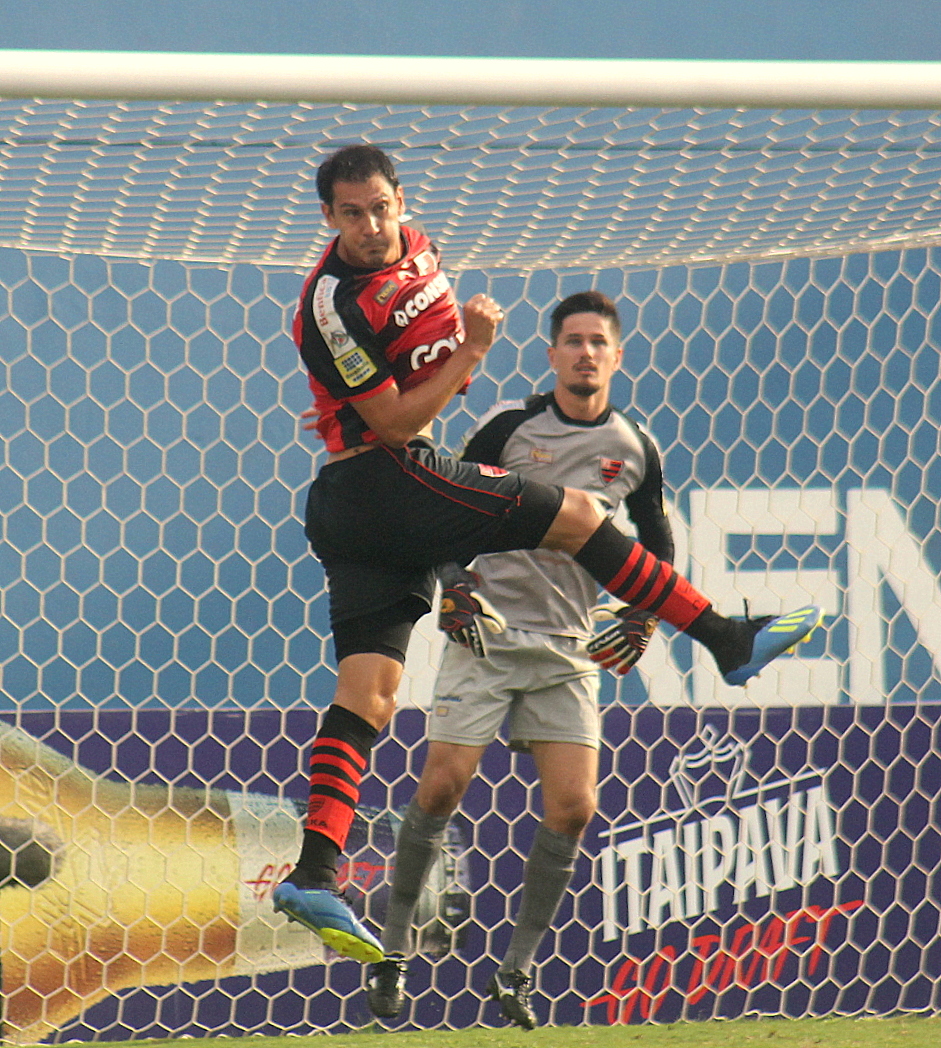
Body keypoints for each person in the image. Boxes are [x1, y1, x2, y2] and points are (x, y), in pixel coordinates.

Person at [271, 142, 822, 966]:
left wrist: (450, 361)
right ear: (327, 218)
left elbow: (425, 374)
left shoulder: (419, 250)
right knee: (574, 512)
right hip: (384, 479)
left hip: (356, 510)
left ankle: (313, 874)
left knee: (371, 694)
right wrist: (473, 351)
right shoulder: (327, 308)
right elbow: (389, 424)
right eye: (350, 214)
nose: (371, 226)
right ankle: (723, 640)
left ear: (399, 198)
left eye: (380, 206)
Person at [366, 289, 678, 1028]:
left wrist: (642, 614)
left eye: (597, 342)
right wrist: (453, 585)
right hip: (489, 634)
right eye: (572, 340)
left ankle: (518, 970)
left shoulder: (634, 448)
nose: (584, 352)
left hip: (568, 648)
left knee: (575, 807)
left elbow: (658, 546)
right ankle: (392, 949)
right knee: (442, 788)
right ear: (551, 354)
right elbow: (442, 506)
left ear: (616, 356)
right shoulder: (510, 428)